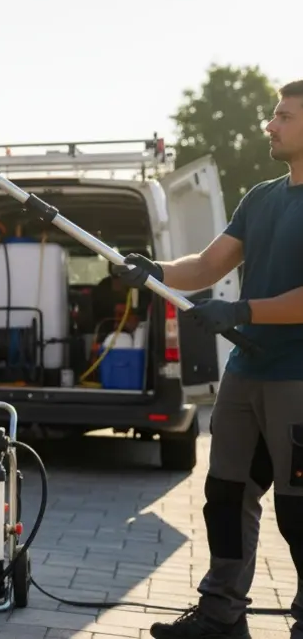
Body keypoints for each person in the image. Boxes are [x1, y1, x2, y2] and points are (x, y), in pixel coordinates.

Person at [112, 79, 303, 639]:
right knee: (225, 496)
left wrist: (242, 310)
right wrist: (156, 271)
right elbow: (205, 265)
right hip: (245, 375)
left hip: (297, 379)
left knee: (299, 511)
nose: (270, 125)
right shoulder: (262, 197)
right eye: (274, 114)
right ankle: (221, 616)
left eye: (284, 117)